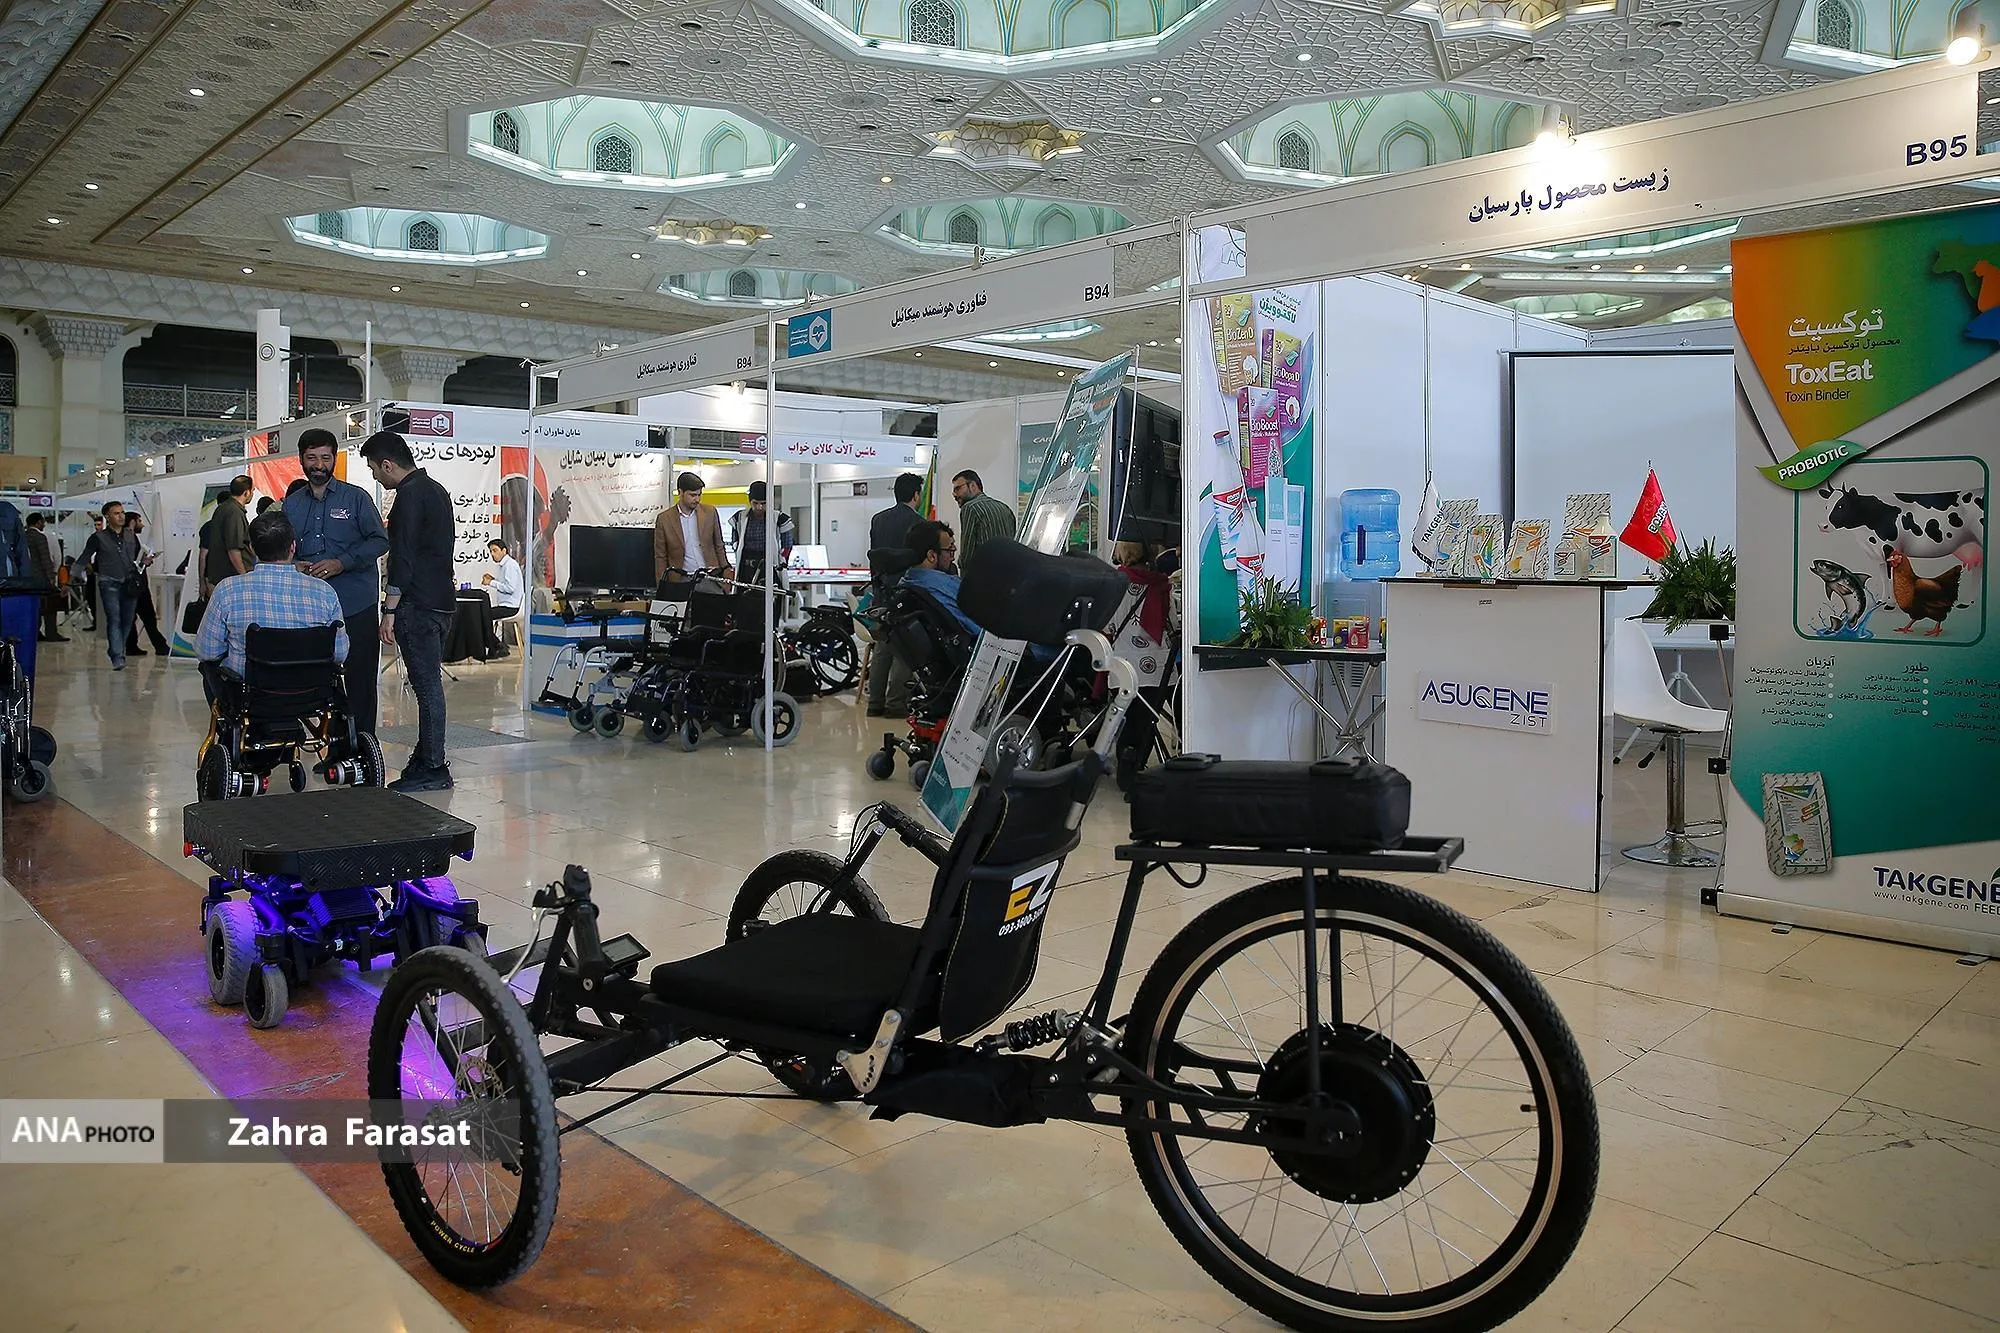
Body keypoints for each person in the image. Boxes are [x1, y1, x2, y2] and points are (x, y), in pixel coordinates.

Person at [362, 429, 455, 792]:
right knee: (429, 685)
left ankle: (433, 766)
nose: (375, 476)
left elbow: (403, 557)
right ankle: (426, 757)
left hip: (417, 605)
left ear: (387, 465)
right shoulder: (436, 490)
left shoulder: (408, 497)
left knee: (427, 688)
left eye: (374, 469)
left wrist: (389, 609)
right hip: (442, 601)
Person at [284, 427, 390, 737]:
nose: (319, 465)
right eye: (312, 458)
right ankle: (333, 744)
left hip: (355, 604)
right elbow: (283, 550)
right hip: (311, 608)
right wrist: (294, 564)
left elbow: (379, 541)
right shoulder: (291, 505)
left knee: (360, 680)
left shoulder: (356, 498)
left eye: (325, 458)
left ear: (334, 459)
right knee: (318, 681)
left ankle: (362, 748)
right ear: (301, 460)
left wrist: (341, 562)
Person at [195, 510, 347, 691]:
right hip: (311, 694)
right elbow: (339, 653)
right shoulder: (325, 592)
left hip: (250, 695)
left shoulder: (227, 590)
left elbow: (207, 651)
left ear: (252, 548)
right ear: (293, 546)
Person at [864, 472, 926, 717]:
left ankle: (874, 703)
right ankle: (895, 704)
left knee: (882, 647)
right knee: (904, 648)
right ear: (916, 495)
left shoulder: (878, 520)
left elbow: (874, 555)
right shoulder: (919, 524)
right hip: (906, 592)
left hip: (881, 591)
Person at [80, 500, 142, 670]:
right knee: (114, 619)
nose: (121, 516)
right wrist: (71, 579)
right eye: (116, 513)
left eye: (122, 513)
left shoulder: (130, 535)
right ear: (107, 516)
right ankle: (117, 656)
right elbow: (84, 557)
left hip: (129, 582)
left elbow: (135, 559)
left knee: (128, 620)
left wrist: (145, 561)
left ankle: (117, 649)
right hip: (109, 582)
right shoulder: (98, 537)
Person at [900, 519, 981, 639]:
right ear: (932, 556)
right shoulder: (946, 587)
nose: (952, 558)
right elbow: (980, 628)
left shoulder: (905, 583)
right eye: (949, 551)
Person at [653, 472, 728, 587]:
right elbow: (660, 556)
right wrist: (662, 586)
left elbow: (719, 545)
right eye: (692, 495)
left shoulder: (710, 512)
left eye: (699, 495)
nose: (697, 499)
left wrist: (726, 573)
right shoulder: (664, 519)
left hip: (710, 577)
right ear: (680, 492)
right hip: (680, 579)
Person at [728, 480, 794, 591]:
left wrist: (782, 561)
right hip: (746, 565)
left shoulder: (779, 518)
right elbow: (735, 541)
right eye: (755, 503)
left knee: (771, 596)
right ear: (750, 501)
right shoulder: (739, 518)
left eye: (763, 503)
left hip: (770, 565)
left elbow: (787, 545)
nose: (759, 507)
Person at [122, 511, 170, 656]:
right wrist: (144, 562)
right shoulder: (129, 538)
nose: (142, 525)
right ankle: (160, 646)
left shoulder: (126, 537)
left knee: (134, 616)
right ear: (132, 521)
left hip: (132, 583)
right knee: (148, 616)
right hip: (135, 584)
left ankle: (132, 646)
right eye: (139, 521)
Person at [951, 469, 1017, 573]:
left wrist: (962, 569)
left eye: (958, 489)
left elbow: (967, 553)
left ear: (973, 486)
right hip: (1008, 573)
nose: (954, 494)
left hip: (984, 575)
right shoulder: (1004, 507)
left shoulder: (970, 508)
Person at [205, 474, 257, 590]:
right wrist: (244, 577)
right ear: (246, 492)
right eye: (253, 490)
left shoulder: (222, 508)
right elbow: (233, 549)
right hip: (232, 577)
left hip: (220, 576)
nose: (253, 494)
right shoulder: (234, 513)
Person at [24, 514, 66, 643]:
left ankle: (35, 633)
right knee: (50, 606)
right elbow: (45, 558)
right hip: (41, 577)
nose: (44, 524)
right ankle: (52, 634)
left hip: (27, 578)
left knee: (34, 607)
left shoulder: (23, 536)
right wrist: (51, 576)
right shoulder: (40, 537)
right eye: (43, 522)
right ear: (38, 523)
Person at [479, 538, 522, 657]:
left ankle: (497, 646)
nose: (492, 554)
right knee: (481, 615)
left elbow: (510, 588)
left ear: (504, 551)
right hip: (506, 605)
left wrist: (491, 583)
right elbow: (506, 584)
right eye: (490, 551)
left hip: (511, 607)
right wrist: (494, 580)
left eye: (495, 550)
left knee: (481, 616)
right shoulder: (504, 565)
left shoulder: (509, 565)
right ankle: (497, 645)